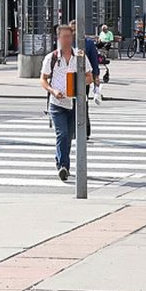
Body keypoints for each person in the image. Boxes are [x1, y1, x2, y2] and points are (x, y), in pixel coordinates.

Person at [39, 25, 95, 184]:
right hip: (57, 103)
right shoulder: (52, 58)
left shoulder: (80, 56)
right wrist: (53, 90)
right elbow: (43, 79)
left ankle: (62, 160)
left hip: (75, 102)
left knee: (69, 137)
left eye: (69, 37)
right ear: (58, 39)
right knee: (62, 134)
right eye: (63, 37)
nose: (66, 40)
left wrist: (80, 83)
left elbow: (89, 76)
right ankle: (63, 166)